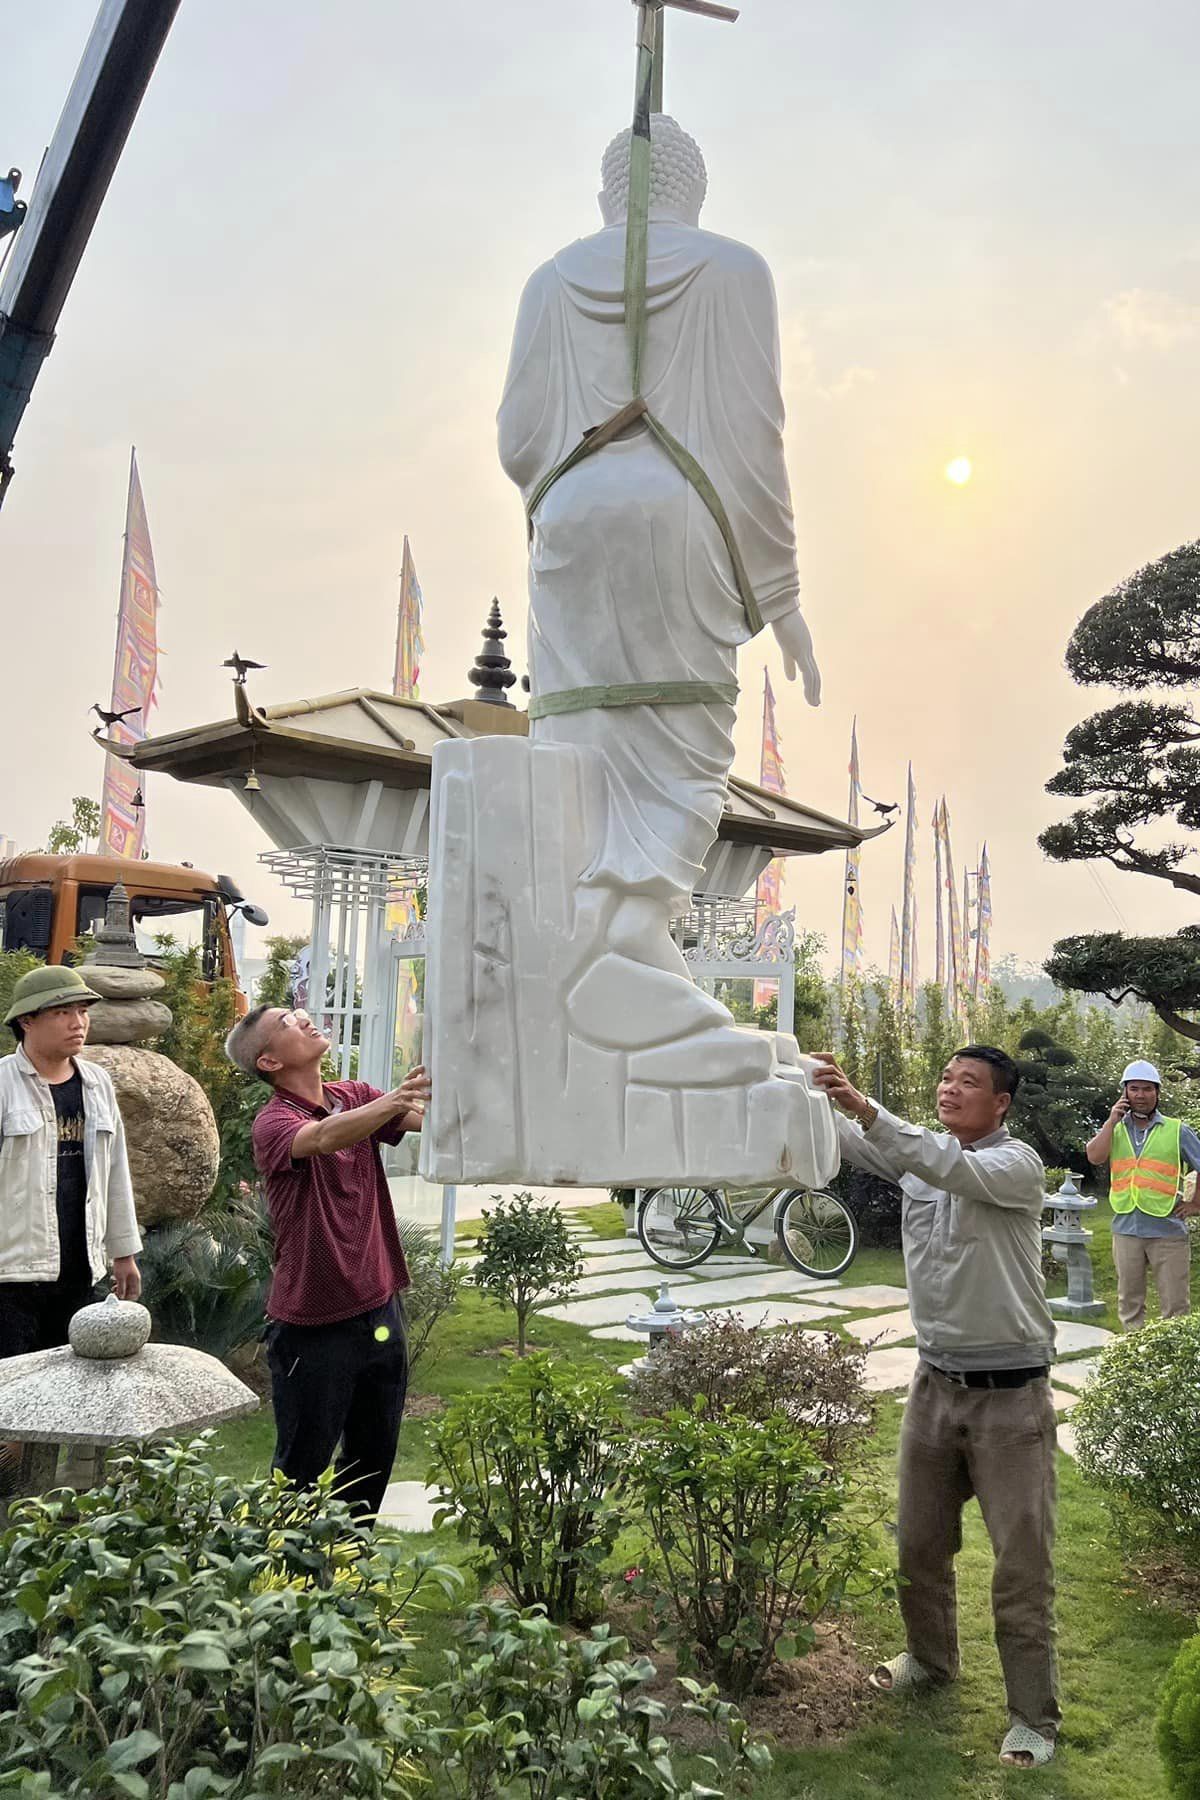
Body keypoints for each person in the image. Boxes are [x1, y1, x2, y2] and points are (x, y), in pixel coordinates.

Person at [497, 113, 820, 1071]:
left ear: (610, 191)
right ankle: (626, 935)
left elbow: (518, 437)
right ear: (694, 188)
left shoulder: (549, 280)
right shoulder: (735, 269)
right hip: (680, 513)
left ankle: (609, 949)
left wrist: (576, 474)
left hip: (571, 514)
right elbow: (754, 435)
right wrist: (783, 594)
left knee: (581, 728)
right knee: (686, 731)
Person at [812, 1045, 1059, 1771]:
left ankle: (1033, 1718)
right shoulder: (923, 1160)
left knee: (1021, 1566)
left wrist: (865, 1106)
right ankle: (930, 1659)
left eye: (968, 1082)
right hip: (934, 1384)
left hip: (1011, 1396)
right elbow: (848, 1138)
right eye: (947, 1077)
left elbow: (942, 1162)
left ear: (1001, 1103)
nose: (950, 1088)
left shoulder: (1015, 1166)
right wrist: (800, 1082)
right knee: (918, 1544)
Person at [224, 1004, 430, 1520]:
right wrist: (392, 1101)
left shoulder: (355, 1096)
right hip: (313, 1328)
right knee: (300, 1470)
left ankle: (347, 1560)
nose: (303, 1018)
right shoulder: (274, 1122)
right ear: (269, 1062)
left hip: (380, 1309)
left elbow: (427, 1119)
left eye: (297, 1012)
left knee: (371, 1463)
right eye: (286, 1022)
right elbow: (321, 1138)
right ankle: (285, 1564)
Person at [0, 965, 142, 1360]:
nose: (77, 1023)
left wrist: (124, 1253)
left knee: (71, 1386)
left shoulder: (97, 1083)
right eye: (62, 1012)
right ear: (27, 1020)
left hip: (81, 1273)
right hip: (11, 1278)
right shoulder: (4, 1085)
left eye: (82, 1011)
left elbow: (115, 1171)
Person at [1085, 1058, 1200, 1331]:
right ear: (1125, 1092)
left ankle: (1173, 1357)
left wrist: (1196, 1203)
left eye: (1148, 1089)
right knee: (1129, 1304)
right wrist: (1111, 1120)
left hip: (1167, 1230)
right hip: (1126, 1229)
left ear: (1157, 1093)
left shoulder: (1177, 1130)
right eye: (1134, 1088)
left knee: (1175, 1307)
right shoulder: (1115, 1129)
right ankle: (1132, 1353)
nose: (1141, 1095)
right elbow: (1095, 1156)